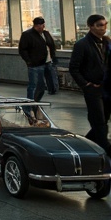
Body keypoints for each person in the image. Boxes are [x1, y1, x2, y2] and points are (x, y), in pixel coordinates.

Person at [68, 14, 109, 155]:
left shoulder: (107, 42)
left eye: (105, 24)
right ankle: (106, 151)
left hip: (107, 88)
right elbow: (73, 68)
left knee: (104, 120)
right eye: (99, 25)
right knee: (98, 121)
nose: (103, 28)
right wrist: (86, 85)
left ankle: (84, 144)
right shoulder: (82, 45)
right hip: (93, 89)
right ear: (91, 26)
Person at [17, 17, 58, 102]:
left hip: (47, 62)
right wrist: (29, 61)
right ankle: (30, 104)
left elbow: (51, 45)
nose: (41, 27)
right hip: (35, 64)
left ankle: (35, 102)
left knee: (42, 86)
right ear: (36, 25)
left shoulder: (45, 34)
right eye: (39, 26)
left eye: (42, 25)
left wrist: (52, 56)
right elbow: (22, 50)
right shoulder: (27, 35)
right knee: (34, 85)